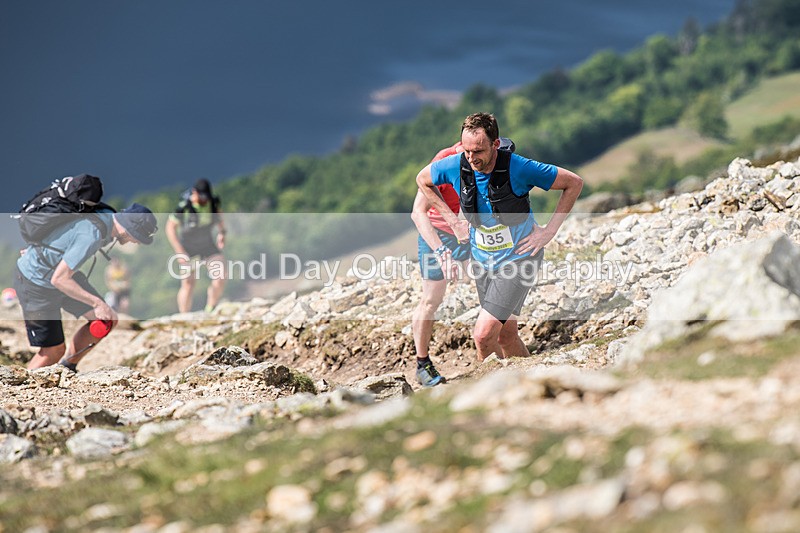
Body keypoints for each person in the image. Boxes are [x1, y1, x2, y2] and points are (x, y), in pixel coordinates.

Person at [416, 112, 583, 365]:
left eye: (479, 151)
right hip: (483, 262)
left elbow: (574, 183)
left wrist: (548, 231)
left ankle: (487, 390)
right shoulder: (455, 164)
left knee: (483, 336)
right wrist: (453, 221)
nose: (472, 158)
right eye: (467, 151)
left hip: (519, 259)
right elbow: (422, 180)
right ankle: (528, 381)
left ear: (495, 144)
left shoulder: (519, 167)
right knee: (506, 336)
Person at [13, 203, 158, 370]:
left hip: (57, 271)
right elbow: (59, 280)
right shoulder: (92, 235)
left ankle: (67, 367)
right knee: (53, 350)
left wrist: (43, 246)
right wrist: (98, 303)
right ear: (129, 230)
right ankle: (22, 388)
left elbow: (66, 232)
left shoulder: (106, 217)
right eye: (138, 239)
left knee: (106, 320)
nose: (136, 243)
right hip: (35, 280)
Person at [410, 141, 470, 387]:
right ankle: (422, 364)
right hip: (438, 233)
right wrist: (442, 251)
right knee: (431, 300)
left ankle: (498, 344)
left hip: (470, 230)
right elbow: (417, 212)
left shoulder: (491, 158)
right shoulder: (442, 165)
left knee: (491, 281)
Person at [165, 178, 227, 313]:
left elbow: (219, 217)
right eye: (202, 196)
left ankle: (210, 308)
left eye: (206, 196)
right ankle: (184, 315)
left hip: (207, 245)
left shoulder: (213, 203)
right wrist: (179, 252)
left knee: (220, 275)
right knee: (188, 283)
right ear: (195, 193)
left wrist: (222, 233)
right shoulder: (184, 207)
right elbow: (170, 228)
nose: (204, 200)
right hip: (188, 248)